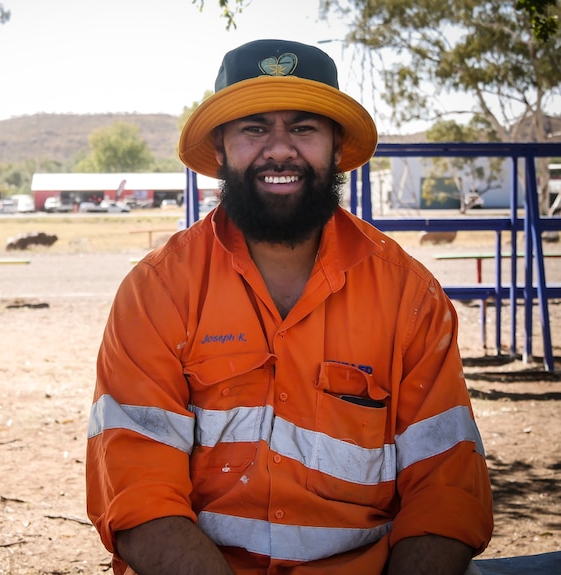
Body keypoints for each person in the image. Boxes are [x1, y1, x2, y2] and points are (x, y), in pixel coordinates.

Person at [85, 39, 494, 574]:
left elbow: (445, 494)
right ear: (221, 147)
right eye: (254, 128)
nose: (280, 150)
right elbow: (137, 497)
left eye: (304, 128)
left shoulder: (409, 298)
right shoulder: (158, 291)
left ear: (337, 146)